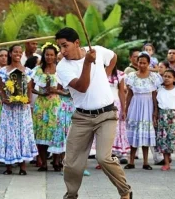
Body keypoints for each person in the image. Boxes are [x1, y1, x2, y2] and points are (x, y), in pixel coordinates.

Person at [55, 27, 132, 199]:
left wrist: (106, 72)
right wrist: (88, 63)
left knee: (103, 158)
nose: (62, 51)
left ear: (77, 43)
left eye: (65, 46)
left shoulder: (97, 51)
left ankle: (125, 192)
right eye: (59, 46)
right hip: (82, 117)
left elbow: (113, 57)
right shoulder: (62, 67)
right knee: (71, 163)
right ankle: (71, 195)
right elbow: (82, 87)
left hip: (106, 114)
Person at [0, 44, 38, 175]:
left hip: (23, 109)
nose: (17, 54)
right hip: (8, 108)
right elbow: (1, 88)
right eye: (15, 52)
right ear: (10, 54)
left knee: (22, 133)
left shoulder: (28, 71)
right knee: (9, 133)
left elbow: (29, 89)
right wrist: (4, 99)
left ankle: (23, 166)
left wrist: (28, 99)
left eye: (19, 52)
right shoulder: (3, 71)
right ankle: (8, 166)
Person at [124, 52, 163, 171]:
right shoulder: (131, 76)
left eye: (144, 63)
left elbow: (155, 94)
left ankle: (146, 162)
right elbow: (129, 94)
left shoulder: (154, 77)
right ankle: (131, 161)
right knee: (134, 133)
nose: (141, 65)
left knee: (146, 133)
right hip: (135, 105)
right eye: (140, 62)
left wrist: (155, 110)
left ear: (148, 63)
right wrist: (126, 109)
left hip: (148, 105)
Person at [32, 43, 65, 172]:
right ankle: (44, 162)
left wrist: (56, 91)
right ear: (43, 56)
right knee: (41, 132)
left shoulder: (61, 71)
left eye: (52, 55)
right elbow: (30, 87)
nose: (49, 57)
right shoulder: (37, 70)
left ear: (56, 56)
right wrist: (41, 92)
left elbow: (65, 89)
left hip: (56, 104)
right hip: (41, 105)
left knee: (56, 133)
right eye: (47, 55)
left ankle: (57, 161)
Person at [156, 69, 175, 171]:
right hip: (162, 117)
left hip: (174, 117)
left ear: (174, 79)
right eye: (165, 76)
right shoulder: (159, 89)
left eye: (169, 77)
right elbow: (156, 105)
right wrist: (155, 116)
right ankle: (167, 164)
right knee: (164, 141)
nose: (166, 78)